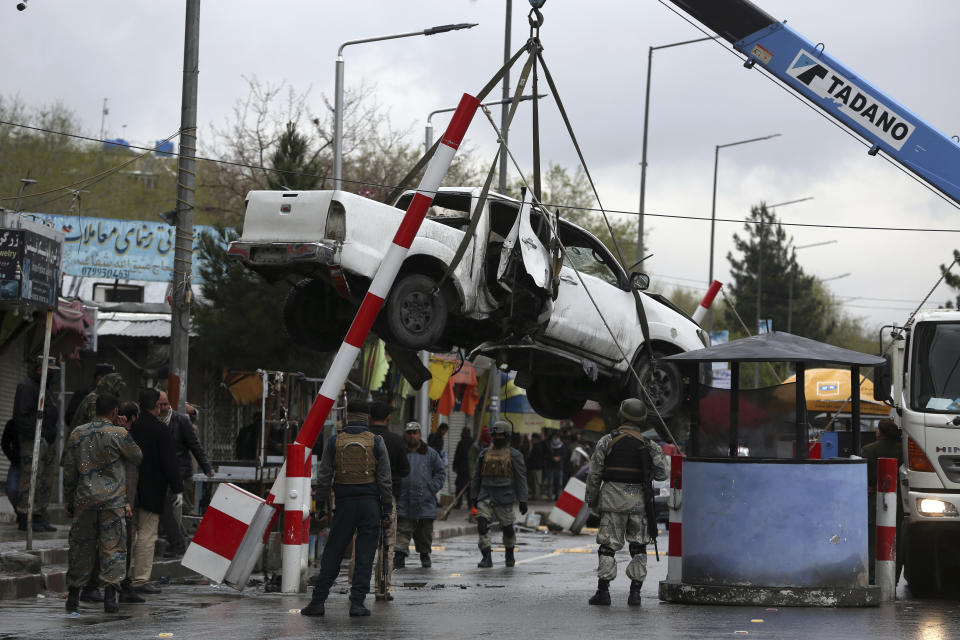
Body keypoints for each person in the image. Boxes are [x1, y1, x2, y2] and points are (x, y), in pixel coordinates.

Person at [301, 400, 393, 618]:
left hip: (344, 505)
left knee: (333, 552)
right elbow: (385, 481)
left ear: (347, 417)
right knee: (364, 555)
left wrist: (321, 506)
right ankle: (357, 604)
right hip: (370, 505)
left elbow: (323, 478)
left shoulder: (335, 442)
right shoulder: (377, 442)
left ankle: (318, 602)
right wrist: (387, 510)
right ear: (368, 418)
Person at [62, 393, 143, 614]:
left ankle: (73, 596)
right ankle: (110, 597)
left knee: (81, 547)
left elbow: (69, 469)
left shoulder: (77, 433)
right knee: (113, 548)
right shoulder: (119, 434)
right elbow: (137, 456)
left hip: (84, 500)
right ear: (115, 412)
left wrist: (69, 498)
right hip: (112, 502)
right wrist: (125, 430)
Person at [584, 398, 666, 607]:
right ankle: (635, 594)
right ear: (642, 420)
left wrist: (591, 500)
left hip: (612, 502)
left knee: (608, 547)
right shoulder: (650, 445)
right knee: (638, 546)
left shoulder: (606, 441)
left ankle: (603, 593)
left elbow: (594, 475)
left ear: (621, 415)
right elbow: (661, 473)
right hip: (639, 503)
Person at [128, 388, 183, 597]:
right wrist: (178, 488)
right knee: (147, 535)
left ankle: (123, 577)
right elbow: (170, 463)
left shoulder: (131, 428)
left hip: (130, 491)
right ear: (156, 406)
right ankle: (140, 579)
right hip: (153, 491)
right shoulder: (160, 430)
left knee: (128, 535)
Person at [157, 390, 213, 556]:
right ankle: (177, 540)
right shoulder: (153, 421)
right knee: (167, 509)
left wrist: (207, 467)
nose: (164, 408)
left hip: (179, 473)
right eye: (161, 405)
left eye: (166, 404)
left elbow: (195, 445)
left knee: (172, 509)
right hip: (160, 473)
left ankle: (178, 542)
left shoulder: (180, 421)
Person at [366, 400, 409, 601]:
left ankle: (357, 587)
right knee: (387, 544)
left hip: (363, 496)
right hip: (388, 498)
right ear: (388, 418)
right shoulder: (396, 441)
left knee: (362, 543)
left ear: (369, 417)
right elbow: (405, 469)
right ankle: (383, 588)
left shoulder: (364, 438)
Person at [470, 420, 528, 568]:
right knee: (482, 524)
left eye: (500, 435)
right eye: (494, 435)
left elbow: (521, 477)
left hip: (505, 496)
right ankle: (486, 556)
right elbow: (476, 476)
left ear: (507, 436)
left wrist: (523, 499)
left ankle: (509, 553)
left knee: (507, 527)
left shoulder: (515, 455)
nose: (497, 438)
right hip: (486, 494)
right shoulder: (484, 454)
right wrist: (473, 496)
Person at [14, 361, 59, 532]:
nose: (52, 376)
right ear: (40, 369)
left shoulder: (44, 388)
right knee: (31, 478)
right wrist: (37, 435)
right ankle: (26, 516)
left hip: (47, 440)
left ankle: (39, 514)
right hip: (33, 440)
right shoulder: (27, 387)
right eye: (50, 371)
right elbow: (22, 417)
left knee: (45, 480)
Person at [395, 421, 446, 569]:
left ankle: (425, 554)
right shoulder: (400, 452)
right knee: (402, 530)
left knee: (424, 532)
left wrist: (431, 489)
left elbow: (440, 473)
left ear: (420, 434)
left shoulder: (430, 453)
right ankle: (400, 555)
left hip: (425, 501)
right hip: (404, 500)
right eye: (409, 433)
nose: (412, 436)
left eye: (415, 432)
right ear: (405, 435)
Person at [860, 418, 904, 584]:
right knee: (894, 540)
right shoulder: (903, 451)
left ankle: (872, 578)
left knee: (873, 540)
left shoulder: (868, 450)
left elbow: (864, 475)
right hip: (897, 500)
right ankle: (893, 578)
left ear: (881, 432)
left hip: (874, 500)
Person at [64, 363, 115, 428]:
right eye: (111, 380)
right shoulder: (82, 394)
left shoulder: (111, 398)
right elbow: (69, 418)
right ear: (99, 379)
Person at [2, 418, 20, 512]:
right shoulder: (13, 423)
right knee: (11, 489)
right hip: (17, 463)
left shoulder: (36, 421)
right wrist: (13, 457)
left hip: (34, 463)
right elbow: (4, 443)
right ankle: (19, 512)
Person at [452, 427, 472, 508]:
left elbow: (457, 455)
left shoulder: (461, 443)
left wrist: (455, 466)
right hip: (470, 469)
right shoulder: (473, 442)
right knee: (470, 488)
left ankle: (459, 503)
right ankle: (470, 504)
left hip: (462, 469)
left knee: (459, 486)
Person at [545, 431, 567, 501]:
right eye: (555, 436)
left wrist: (559, 458)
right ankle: (550, 496)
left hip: (559, 466)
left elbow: (565, 455)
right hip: (550, 466)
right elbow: (546, 455)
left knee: (559, 483)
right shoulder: (549, 445)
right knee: (550, 482)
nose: (556, 438)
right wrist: (552, 458)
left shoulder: (562, 445)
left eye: (557, 436)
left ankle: (558, 496)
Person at [526, 432, 545, 501]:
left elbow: (534, 457)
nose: (532, 440)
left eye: (533, 439)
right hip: (536, 467)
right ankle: (535, 495)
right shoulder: (537, 446)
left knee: (536, 482)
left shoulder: (537, 447)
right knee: (535, 482)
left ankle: (536, 496)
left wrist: (529, 456)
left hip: (536, 467)